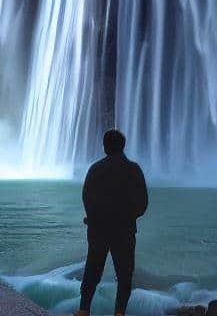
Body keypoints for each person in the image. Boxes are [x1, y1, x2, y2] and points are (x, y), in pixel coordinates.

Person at [77, 129, 148, 316]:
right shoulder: (133, 169)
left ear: (105, 147)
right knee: (125, 275)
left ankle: (84, 310)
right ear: (123, 146)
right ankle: (119, 313)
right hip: (124, 230)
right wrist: (129, 216)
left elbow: (86, 196)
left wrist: (92, 217)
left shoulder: (95, 169)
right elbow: (142, 203)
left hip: (98, 229)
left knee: (92, 270)